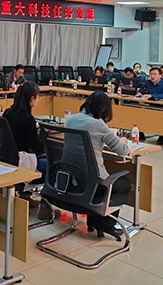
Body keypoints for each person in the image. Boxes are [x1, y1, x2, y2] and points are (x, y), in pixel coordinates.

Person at [63, 91, 130, 239]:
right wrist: (123, 141)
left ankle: (93, 221)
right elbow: (123, 151)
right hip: (93, 183)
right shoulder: (98, 125)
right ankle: (105, 224)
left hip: (71, 180)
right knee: (124, 184)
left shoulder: (70, 119)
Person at [2, 81, 45, 170]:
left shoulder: (7, 112)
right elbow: (37, 148)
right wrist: (43, 133)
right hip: (22, 161)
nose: (38, 100)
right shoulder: (28, 119)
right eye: (38, 97)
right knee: (52, 164)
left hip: (6, 158)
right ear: (32, 98)